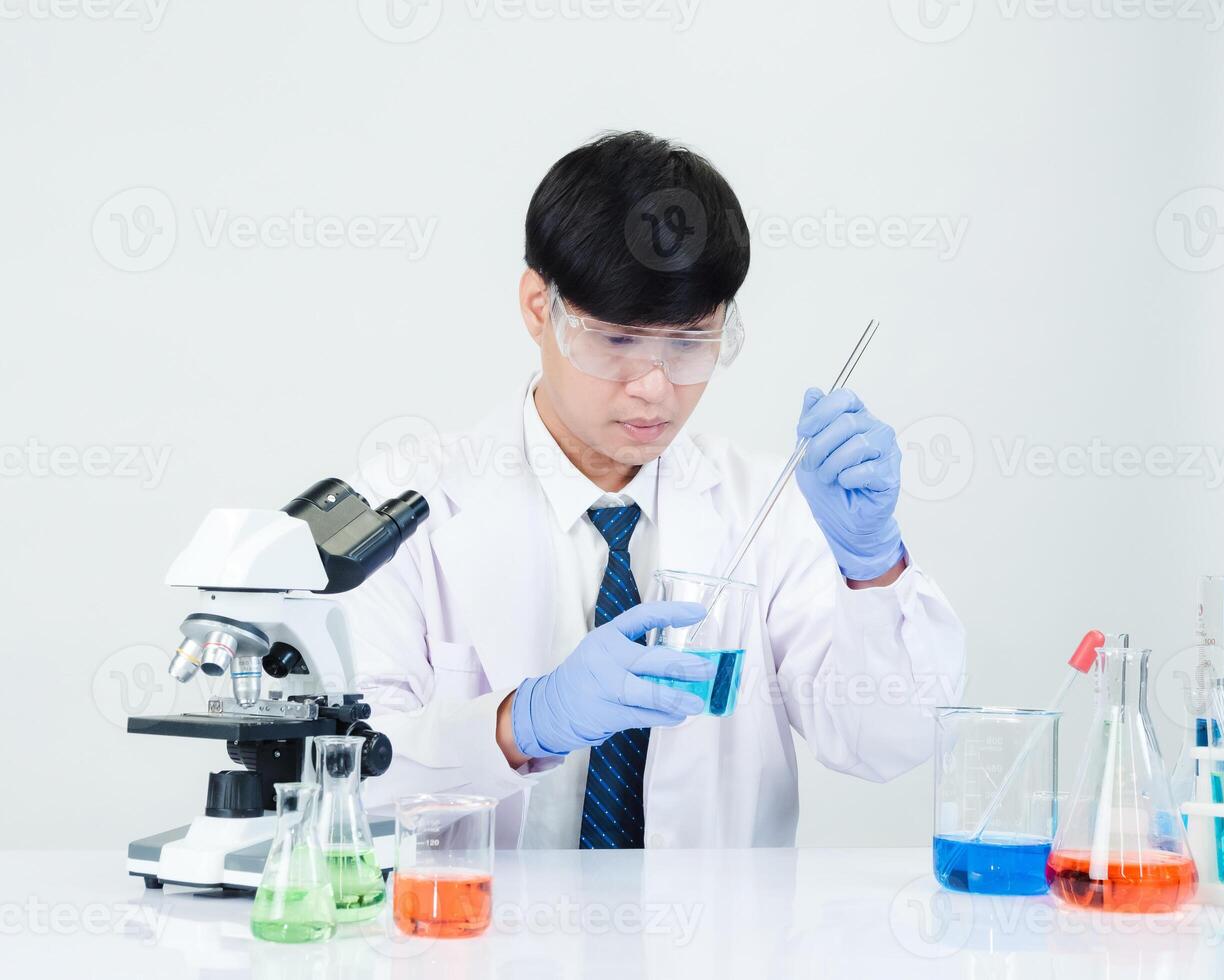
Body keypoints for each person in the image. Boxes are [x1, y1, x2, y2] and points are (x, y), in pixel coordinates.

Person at [340, 131, 966, 849]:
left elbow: (884, 741)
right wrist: (523, 722)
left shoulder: (763, 505)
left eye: (690, 344)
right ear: (538, 307)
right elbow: (345, 780)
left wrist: (872, 566)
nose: (655, 387)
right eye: (618, 340)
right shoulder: (401, 506)